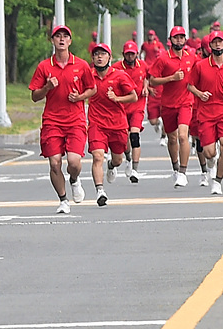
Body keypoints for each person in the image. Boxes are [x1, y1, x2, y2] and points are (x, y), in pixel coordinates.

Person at [30, 25, 97, 214]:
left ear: (70, 41)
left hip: (75, 120)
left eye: (65, 36)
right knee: (54, 162)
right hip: (52, 121)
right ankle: (63, 199)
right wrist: (47, 88)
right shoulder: (44, 66)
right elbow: (35, 96)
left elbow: (92, 88)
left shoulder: (81, 65)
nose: (61, 39)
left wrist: (80, 97)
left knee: (74, 162)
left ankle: (74, 180)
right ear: (52, 41)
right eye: (57, 36)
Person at [186, 30, 223, 194]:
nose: (218, 45)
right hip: (206, 114)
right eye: (215, 42)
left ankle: (217, 181)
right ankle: (211, 162)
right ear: (210, 46)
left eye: (220, 42)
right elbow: (190, 85)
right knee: (209, 152)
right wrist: (200, 94)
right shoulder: (200, 66)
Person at [87, 43, 137, 205]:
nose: (99, 57)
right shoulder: (88, 75)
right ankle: (100, 191)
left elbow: (133, 96)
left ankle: (111, 165)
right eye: (96, 55)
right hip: (96, 123)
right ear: (93, 58)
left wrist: (117, 98)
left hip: (117, 124)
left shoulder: (120, 76)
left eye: (103, 54)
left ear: (109, 57)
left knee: (118, 160)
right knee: (97, 156)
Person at [148, 25, 198, 188]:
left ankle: (183, 172)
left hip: (186, 102)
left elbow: (200, 75)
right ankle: (175, 167)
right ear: (170, 40)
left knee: (183, 136)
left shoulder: (192, 57)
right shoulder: (163, 58)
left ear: (185, 40)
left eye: (181, 37)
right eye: (176, 37)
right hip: (168, 103)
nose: (179, 40)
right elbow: (153, 80)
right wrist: (171, 78)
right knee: (172, 138)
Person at [116, 40, 150, 181]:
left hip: (137, 106)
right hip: (122, 107)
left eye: (132, 54)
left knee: (134, 136)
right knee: (124, 138)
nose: (130, 57)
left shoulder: (143, 66)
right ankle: (129, 158)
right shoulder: (117, 68)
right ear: (124, 54)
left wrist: (146, 86)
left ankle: (135, 170)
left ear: (137, 54)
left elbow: (148, 77)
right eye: (128, 54)